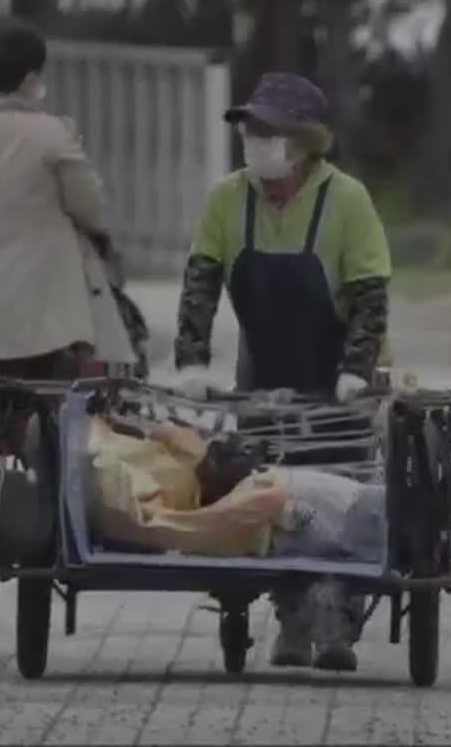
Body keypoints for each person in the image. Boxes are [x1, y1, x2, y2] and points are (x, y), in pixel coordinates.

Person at [169, 71, 392, 672]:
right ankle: (295, 620)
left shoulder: (347, 200)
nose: (256, 141)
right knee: (278, 494)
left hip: (338, 375)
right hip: (263, 370)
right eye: (251, 130)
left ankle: (336, 616)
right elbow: (200, 285)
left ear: (305, 142)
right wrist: (191, 360)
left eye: (269, 131)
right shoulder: (226, 199)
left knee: (339, 497)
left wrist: (356, 370)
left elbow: (371, 294)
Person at [0, 20, 136, 381]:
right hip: (46, 315)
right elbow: (90, 208)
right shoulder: (53, 134)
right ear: (31, 78)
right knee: (54, 401)